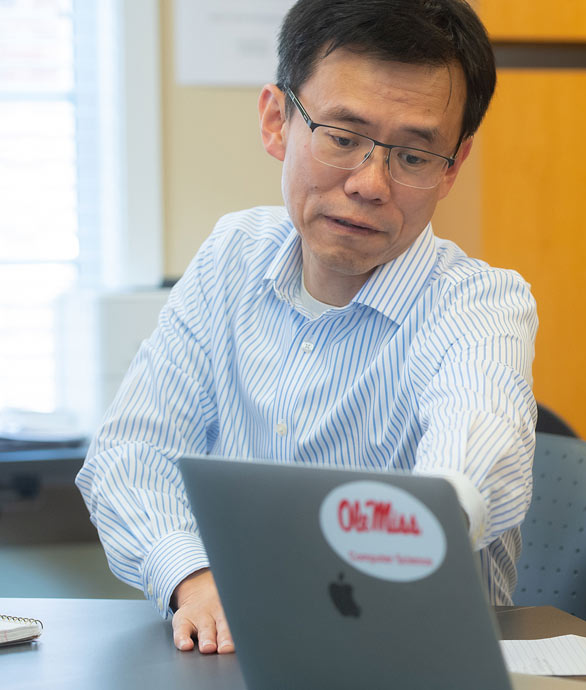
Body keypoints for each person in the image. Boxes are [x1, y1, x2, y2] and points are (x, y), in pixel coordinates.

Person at [76, 0, 537, 656]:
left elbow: (474, 445)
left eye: (412, 155)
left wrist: (426, 521)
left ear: (454, 165)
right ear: (276, 121)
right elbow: (129, 454)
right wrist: (193, 576)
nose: (371, 184)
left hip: (406, 659)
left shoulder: (482, 306)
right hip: (230, 661)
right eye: (343, 138)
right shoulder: (232, 256)